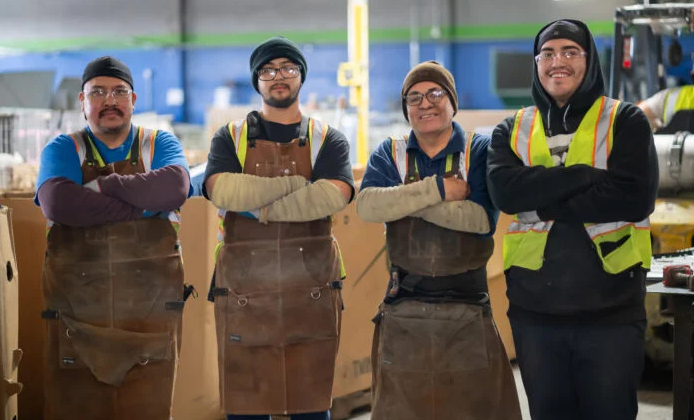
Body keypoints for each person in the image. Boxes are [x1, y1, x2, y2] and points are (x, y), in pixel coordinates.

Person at [487, 19, 658, 420]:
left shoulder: (625, 121)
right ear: (536, 63)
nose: (556, 62)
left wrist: (542, 200)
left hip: (611, 312)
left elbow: (633, 198)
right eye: (547, 53)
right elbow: (507, 194)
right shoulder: (511, 130)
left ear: (590, 61)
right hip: (535, 315)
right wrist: (584, 178)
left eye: (569, 52)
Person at [356, 61, 522, 420]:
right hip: (405, 307)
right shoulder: (391, 151)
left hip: (467, 310)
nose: (425, 103)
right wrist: (437, 190)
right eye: (414, 97)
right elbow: (368, 205)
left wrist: (404, 200)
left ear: (452, 102)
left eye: (435, 93)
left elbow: (479, 220)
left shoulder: (478, 150)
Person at [203, 36, 354, 420]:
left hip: (312, 292)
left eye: (288, 68)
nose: (278, 77)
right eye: (268, 70)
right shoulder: (230, 137)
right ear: (257, 81)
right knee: (245, 404)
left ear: (301, 77)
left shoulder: (327, 138)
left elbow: (333, 196)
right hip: (244, 292)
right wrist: (298, 187)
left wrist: (259, 205)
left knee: (310, 404)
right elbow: (221, 189)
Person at [35, 56, 193, 420]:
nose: (110, 101)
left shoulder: (158, 143)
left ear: (134, 100)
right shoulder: (63, 148)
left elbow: (175, 187)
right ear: (82, 101)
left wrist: (105, 185)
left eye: (119, 91)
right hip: (77, 323)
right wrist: (141, 206)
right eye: (98, 92)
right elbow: (58, 202)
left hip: (149, 322)